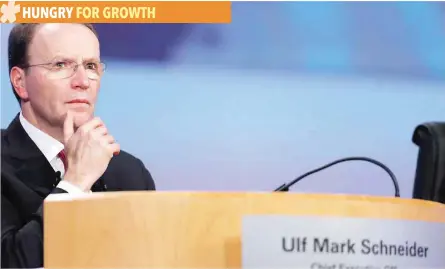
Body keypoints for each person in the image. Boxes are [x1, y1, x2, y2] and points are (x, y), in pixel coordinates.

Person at [1, 23, 156, 268]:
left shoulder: (129, 173)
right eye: (60, 65)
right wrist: (75, 183)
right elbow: (9, 259)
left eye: (91, 66)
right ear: (20, 82)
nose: (82, 81)